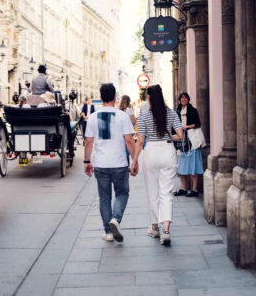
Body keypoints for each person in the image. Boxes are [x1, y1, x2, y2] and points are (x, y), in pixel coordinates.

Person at [131, 85, 183, 246]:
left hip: (151, 152)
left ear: (148, 98)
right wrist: (168, 138)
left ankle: (155, 227)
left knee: (152, 192)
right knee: (166, 193)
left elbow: (140, 140)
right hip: (168, 151)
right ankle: (166, 230)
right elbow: (180, 135)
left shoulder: (144, 115)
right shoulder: (172, 113)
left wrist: (134, 161)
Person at [84, 84, 136, 242]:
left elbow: (88, 142)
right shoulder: (122, 116)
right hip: (119, 163)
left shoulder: (93, 117)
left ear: (100, 98)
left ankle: (107, 232)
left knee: (104, 197)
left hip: (101, 164)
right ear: (115, 97)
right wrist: (135, 160)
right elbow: (129, 140)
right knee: (122, 193)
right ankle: (116, 219)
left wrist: (87, 161)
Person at [174, 92, 204, 197]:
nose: (184, 99)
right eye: (182, 98)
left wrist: (187, 126)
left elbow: (197, 124)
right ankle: (183, 188)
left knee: (193, 166)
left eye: (185, 98)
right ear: (179, 100)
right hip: (181, 142)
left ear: (188, 99)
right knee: (181, 166)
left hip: (192, 141)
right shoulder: (176, 111)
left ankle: (194, 190)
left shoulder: (193, 110)